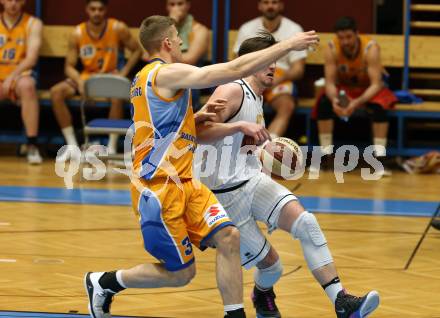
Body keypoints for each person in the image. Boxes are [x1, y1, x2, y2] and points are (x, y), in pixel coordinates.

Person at [83, 15, 318, 318]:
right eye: (178, 39)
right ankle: (105, 282)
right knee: (182, 274)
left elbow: (158, 128)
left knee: (229, 237)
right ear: (167, 42)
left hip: (187, 183)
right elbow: (233, 69)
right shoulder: (163, 73)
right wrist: (288, 46)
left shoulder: (151, 79)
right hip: (159, 188)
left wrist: (196, 119)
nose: (181, 43)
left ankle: (234, 314)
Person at [195, 32, 380, 318]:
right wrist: (238, 127)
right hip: (223, 197)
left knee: (307, 223)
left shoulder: (256, 95)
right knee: (272, 266)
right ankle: (262, 294)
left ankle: (341, 301)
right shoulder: (231, 90)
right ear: (250, 62)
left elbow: (241, 148)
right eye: (268, 61)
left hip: (253, 182)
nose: (273, 67)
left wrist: (263, 160)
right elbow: (198, 132)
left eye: (275, 61)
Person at [50, 0, 142, 154]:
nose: (96, 13)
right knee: (56, 92)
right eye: (93, 9)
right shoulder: (77, 32)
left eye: (100, 9)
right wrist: (79, 81)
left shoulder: (117, 27)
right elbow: (69, 66)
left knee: (117, 95)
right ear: (87, 10)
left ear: (105, 10)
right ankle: (72, 145)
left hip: (110, 76)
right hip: (88, 78)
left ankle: (111, 146)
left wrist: (123, 72)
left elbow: (137, 50)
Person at [314, 16, 397, 173]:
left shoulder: (370, 48)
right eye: (341, 38)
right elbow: (330, 83)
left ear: (357, 34)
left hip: (369, 89)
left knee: (379, 107)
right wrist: (334, 100)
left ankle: (379, 159)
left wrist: (356, 102)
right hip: (346, 88)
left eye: (349, 37)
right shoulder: (332, 48)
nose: (345, 41)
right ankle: (327, 155)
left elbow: (376, 84)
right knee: (324, 103)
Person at [234, 0, 307, 137]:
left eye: (274, 2)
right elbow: (236, 62)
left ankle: (267, 149)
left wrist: (279, 79)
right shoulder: (247, 28)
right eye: (266, 2)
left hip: (280, 77)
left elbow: (298, 69)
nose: (270, 6)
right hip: (251, 75)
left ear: (281, 5)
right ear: (259, 5)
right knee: (236, 101)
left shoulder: (294, 29)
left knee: (286, 105)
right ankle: (238, 147)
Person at [0, 0, 42, 164]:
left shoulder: (33, 23)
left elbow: (31, 58)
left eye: (17, 0)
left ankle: (32, 145)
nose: (13, 4)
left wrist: (12, 76)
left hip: (20, 75)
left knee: (27, 86)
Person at [166, 0, 209, 65]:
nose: (175, 8)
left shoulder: (200, 30)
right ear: (167, 7)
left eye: (180, 4)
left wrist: (160, 57)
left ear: (188, 5)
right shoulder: (161, 27)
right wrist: (171, 23)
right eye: (172, 4)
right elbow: (147, 55)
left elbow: (190, 60)